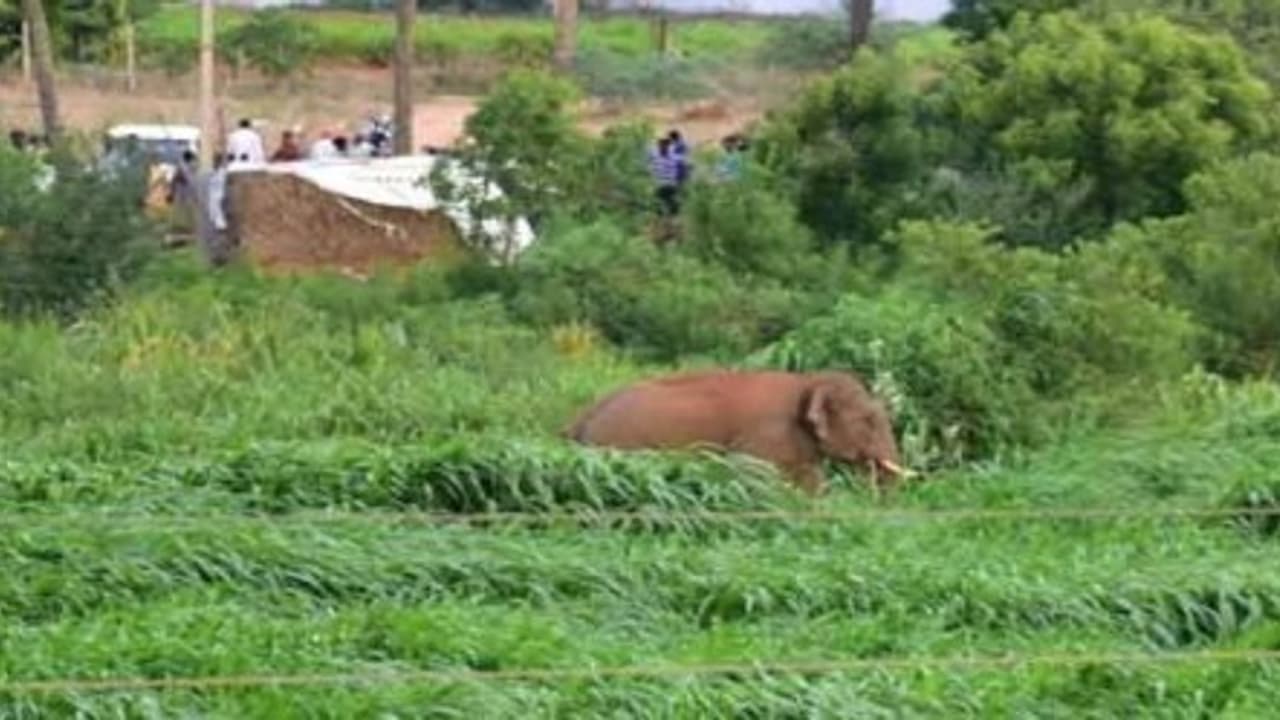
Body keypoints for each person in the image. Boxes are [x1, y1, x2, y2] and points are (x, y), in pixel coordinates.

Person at [649, 136, 681, 218]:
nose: (663, 146)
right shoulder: (655, 156)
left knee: (672, 208)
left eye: (665, 144)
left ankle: (671, 221)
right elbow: (651, 169)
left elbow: (679, 170)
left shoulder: (673, 157)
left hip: (670, 185)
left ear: (668, 146)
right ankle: (662, 220)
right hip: (659, 185)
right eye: (661, 144)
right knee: (659, 208)